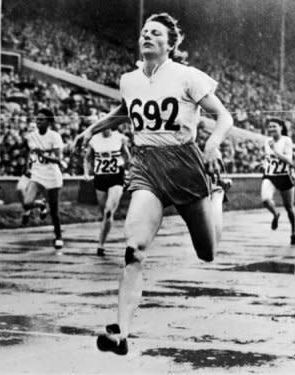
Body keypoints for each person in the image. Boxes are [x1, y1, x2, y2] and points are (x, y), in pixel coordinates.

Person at [73, 12, 233, 355]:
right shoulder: (128, 79)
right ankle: (121, 331)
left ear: (170, 43)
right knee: (134, 249)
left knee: (207, 253)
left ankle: (217, 196)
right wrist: (90, 130)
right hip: (147, 166)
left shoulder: (187, 76)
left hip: (185, 164)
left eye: (155, 32)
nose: (146, 35)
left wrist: (213, 143)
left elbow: (224, 116)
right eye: (144, 31)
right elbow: (123, 112)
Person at [21, 108, 64, 250]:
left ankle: (58, 236)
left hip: (52, 175)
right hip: (38, 173)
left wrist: (44, 155)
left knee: (54, 210)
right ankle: (40, 205)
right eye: (37, 119)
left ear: (49, 122)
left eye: (41, 119)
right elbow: (30, 152)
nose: (38, 122)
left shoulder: (54, 136)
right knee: (27, 202)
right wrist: (28, 165)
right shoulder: (32, 136)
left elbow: (58, 159)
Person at [84, 128, 130, 256]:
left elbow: (127, 156)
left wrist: (126, 169)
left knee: (109, 211)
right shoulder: (94, 140)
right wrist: (86, 172)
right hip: (100, 177)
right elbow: (87, 158)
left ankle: (100, 244)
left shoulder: (119, 137)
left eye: (107, 125)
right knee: (104, 213)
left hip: (116, 177)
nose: (104, 128)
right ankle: (103, 238)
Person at [260, 118, 295, 245]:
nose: (271, 129)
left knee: (289, 207)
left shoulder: (286, 140)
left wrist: (275, 150)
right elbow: (268, 158)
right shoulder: (267, 141)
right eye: (269, 127)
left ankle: (294, 231)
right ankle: (275, 214)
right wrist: (263, 164)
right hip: (270, 175)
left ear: (281, 127)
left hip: (284, 176)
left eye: (274, 126)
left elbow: (289, 160)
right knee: (265, 200)